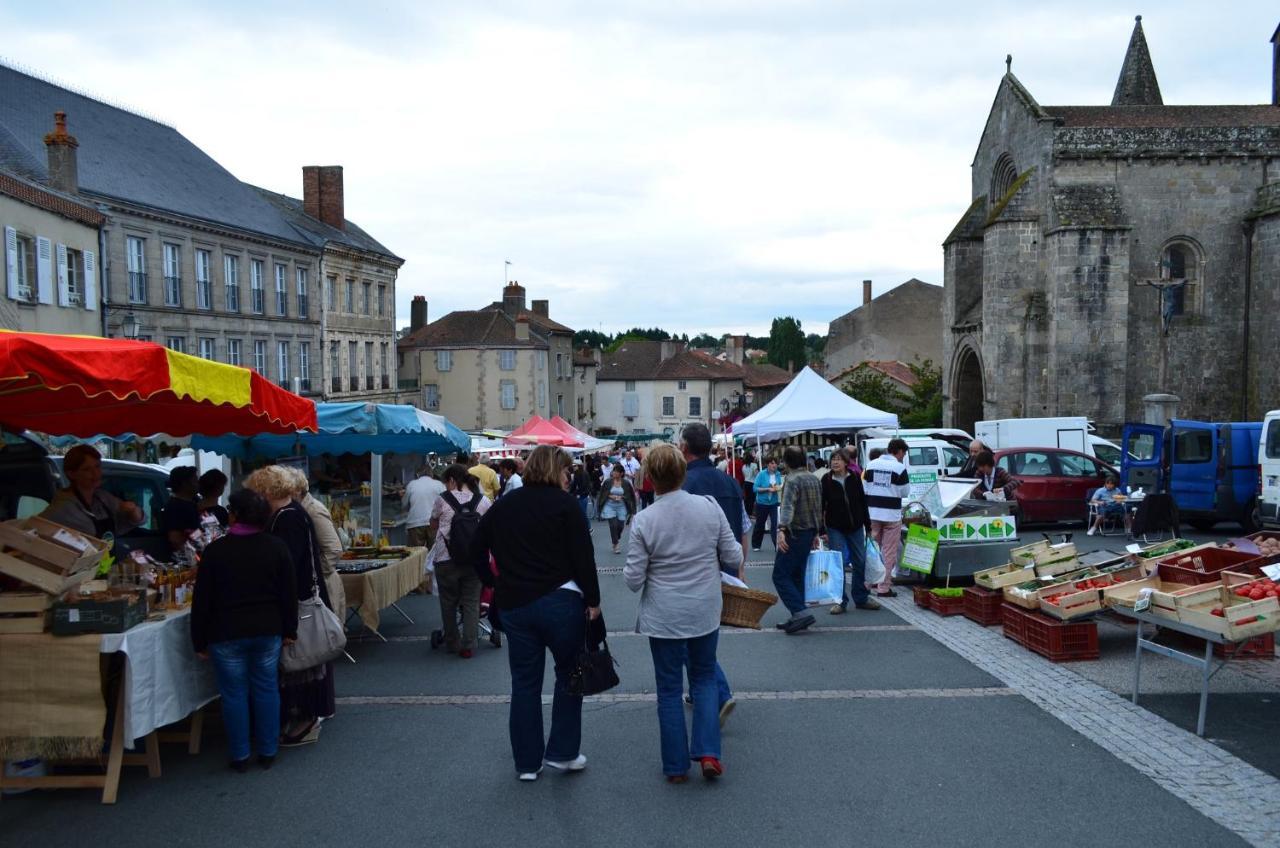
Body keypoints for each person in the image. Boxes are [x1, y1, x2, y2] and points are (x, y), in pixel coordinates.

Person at [469, 445, 601, 781]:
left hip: (515, 602)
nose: (569, 477)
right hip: (561, 599)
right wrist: (594, 600)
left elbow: (475, 549)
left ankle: (527, 763)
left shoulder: (504, 506)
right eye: (566, 471)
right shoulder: (566, 506)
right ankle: (563, 751)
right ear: (554, 470)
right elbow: (583, 557)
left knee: (524, 683)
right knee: (569, 674)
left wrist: (493, 582)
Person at [625, 444, 737, 783]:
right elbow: (732, 555)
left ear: (651, 479)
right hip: (703, 608)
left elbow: (632, 580)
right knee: (703, 679)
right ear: (682, 472)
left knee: (669, 689)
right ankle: (708, 753)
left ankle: (675, 766)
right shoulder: (708, 507)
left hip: (664, 614)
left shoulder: (644, 520)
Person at [191, 488, 297, 772]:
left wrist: (198, 640)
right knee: (266, 688)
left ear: (234, 514)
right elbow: (289, 593)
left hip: (225, 632)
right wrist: (290, 629)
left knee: (233, 693)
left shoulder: (215, 552)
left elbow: (202, 600)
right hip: (267, 628)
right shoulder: (276, 547)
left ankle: (239, 755)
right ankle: (268, 750)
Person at [244, 465, 334, 747]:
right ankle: (300, 716)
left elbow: (288, 565)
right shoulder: (290, 514)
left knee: (301, 661)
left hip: (299, 600)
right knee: (300, 663)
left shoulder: (288, 518)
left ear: (266, 491)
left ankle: (304, 719)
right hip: (299, 597)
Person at [679, 422, 746, 722]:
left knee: (688, 641)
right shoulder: (729, 482)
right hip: (727, 569)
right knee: (705, 636)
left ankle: (719, 692)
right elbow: (744, 527)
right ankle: (701, 691)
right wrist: (740, 571)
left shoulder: (685, 485)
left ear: (684, 448)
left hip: (693, 573)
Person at [429, 464, 492, 658]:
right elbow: (490, 527)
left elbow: (432, 523)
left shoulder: (442, 499)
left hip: (445, 558)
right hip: (474, 559)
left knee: (448, 602)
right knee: (472, 601)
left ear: (451, 481)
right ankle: (469, 645)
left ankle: (452, 642)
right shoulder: (483, 501)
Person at [284, 467, 347, 621]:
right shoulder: (302, 509)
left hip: (323, 586)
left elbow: (334, 549)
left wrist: (315, 573)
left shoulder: (313, 510)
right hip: (319, 584)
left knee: (324, 636)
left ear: (296, 491)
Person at [42, 446, 144, 541]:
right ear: (71, 474)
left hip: (108, 559)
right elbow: (34, 529)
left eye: (97, 466)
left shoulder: (102, 498)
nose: (96, 473)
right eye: (87, 469)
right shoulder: (63, 507)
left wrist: (133, 511)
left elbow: (135, 521)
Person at [822, 448, 878, 614]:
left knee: (859, 561)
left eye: (839, 459)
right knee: (838, 564)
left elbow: (862, 502)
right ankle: (840, 601)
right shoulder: (826, 479)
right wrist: (821, 529)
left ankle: (861, 598)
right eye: (833, 459)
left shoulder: (854, 477)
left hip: (855, 526)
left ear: (846, 462)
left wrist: (868, 526)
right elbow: (821, 505)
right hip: (835, 527)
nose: (835, 462)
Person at [773, 446, 822, 633]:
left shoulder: (792, 480)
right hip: (809, 531)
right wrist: (816, 531)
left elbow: (787, 507)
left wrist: (781, 529)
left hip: (794, 532)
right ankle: (798, 614)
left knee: (780, 574)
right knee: (797, 574)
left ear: (786, 461)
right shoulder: (813, 478)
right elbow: (818, 507)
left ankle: (800, 611)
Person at [863, 439, 911, 597]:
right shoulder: (899, 468)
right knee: (888, 551)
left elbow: (864, 487)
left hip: (872, 513)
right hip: (891, 515)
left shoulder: (871, 465)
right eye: (903, 453)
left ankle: (868, 582)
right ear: (899, 451)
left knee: (871, 550)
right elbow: (905, 492)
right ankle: (883, 587)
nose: (903, 457)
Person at [160, 466, 202, 555]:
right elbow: (175, 539)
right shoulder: (175, 507)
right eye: (195, 480)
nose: (198, 484)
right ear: (184, 484)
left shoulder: (193, 503)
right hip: (184, 560)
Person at [595, 464, 636, 554]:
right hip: (609, 506)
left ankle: (615, 538)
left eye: (616, 471)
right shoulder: (608, 482)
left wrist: (623, 498)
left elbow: (631, 496)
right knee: (613, 525)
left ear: (621, 473)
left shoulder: (626, 483)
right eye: (614, 471)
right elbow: (603, 493)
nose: (614, 473)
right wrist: (610, 496)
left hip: (621, 506)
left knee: (620, 526)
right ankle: (616, 544)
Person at [404, 465, 445, 549]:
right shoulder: (439, 484)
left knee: (415, 553)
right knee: (433, 553)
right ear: (431, 474)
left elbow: (404, 503)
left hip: (415, 523)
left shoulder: (412, 484)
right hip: (434, 522)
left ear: (418, 474)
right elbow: (446, 502)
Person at [751, 458, 784, 551]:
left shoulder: (778, 474)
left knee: (775, 524)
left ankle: (777, 545)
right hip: (762, 502)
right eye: (772, 463)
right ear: (768, 464)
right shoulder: (761, 474)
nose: (774, 465)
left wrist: (778, 487)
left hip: (774, 502)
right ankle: (756, 544)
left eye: (776, 463)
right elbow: (755, 488)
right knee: (760, 524)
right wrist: (767, 489)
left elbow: (779, 484)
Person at [567, 460, 593, 525]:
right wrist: (570, 492)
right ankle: (586, 527)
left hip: (583, 495)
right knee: (580, 512)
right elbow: (574, 485)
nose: (573, 467)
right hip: (579, 494)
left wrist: (575, 493)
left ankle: (589, 528)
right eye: (573, 466)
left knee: (582, 512)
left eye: (575, 466)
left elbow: (583, 486)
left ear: (579, 466)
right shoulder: (576, 474)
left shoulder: (583, 473)